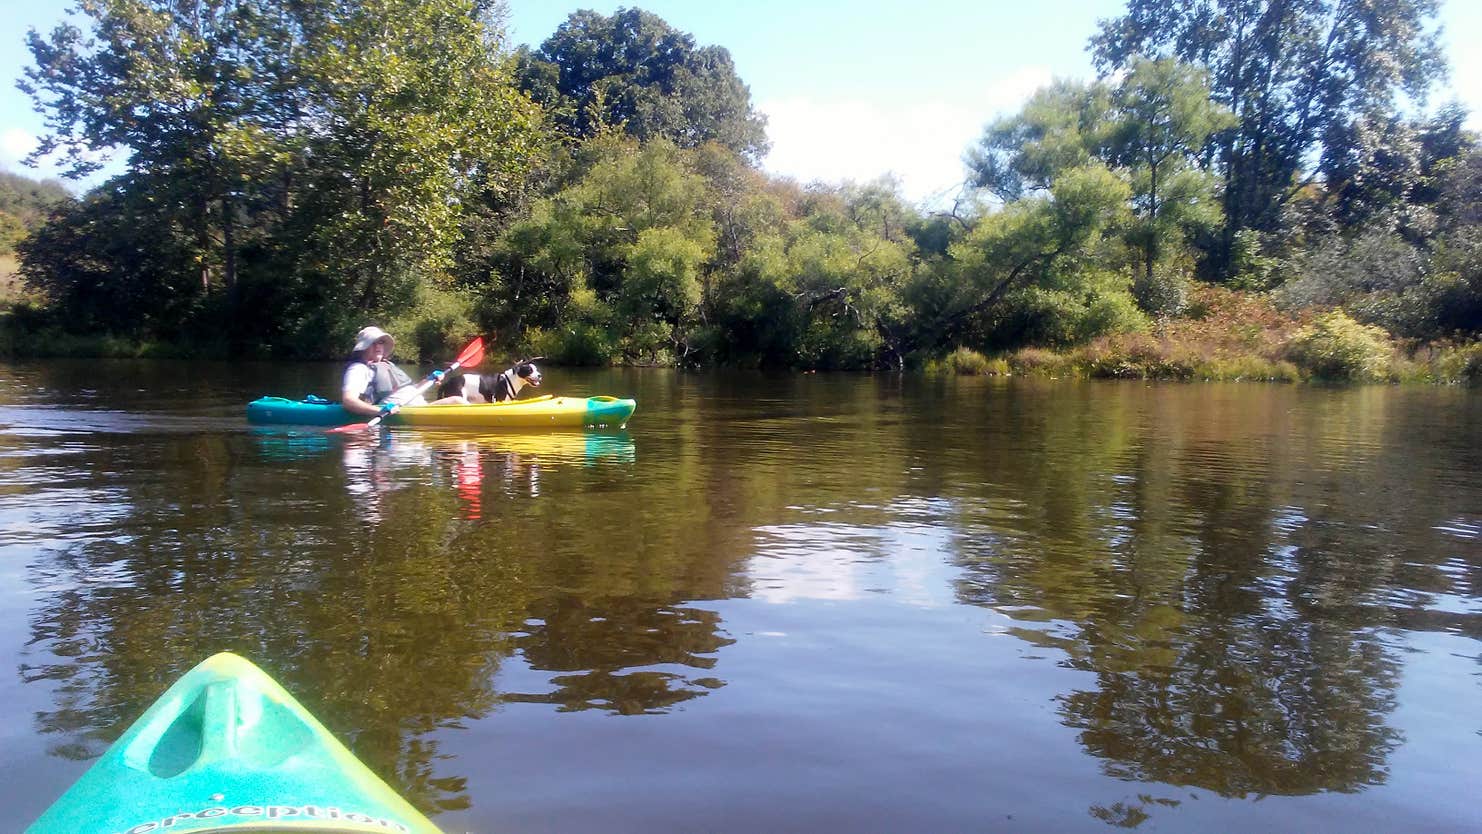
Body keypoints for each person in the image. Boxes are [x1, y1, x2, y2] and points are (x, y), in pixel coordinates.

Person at [340, 326, 465, 417]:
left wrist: (429, 379)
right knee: (459, 402)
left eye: (381, 342)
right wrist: (379, 411)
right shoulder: (358, 369)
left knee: (457, 400)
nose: (378, 346)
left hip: (420, 408)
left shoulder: (386, 365)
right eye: (373, 343)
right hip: (400, 413)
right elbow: (348, 401)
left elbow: (407, 390)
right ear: (363, 347)